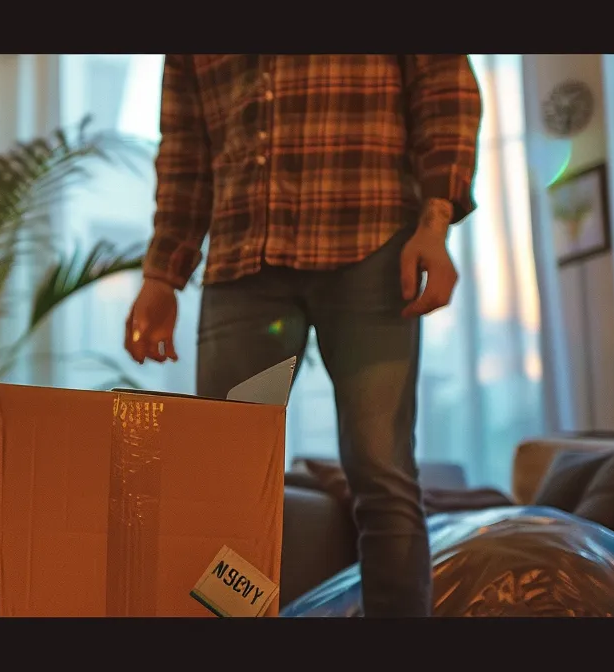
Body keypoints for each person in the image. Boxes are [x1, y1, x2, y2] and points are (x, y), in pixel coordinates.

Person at [124, 55, 481, 617]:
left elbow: (443, 90)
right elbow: (185, 151)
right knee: (222, 485)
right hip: (244, 261)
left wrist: (435, 224)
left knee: (382, 472)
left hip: (373, 244)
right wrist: (162, 274)